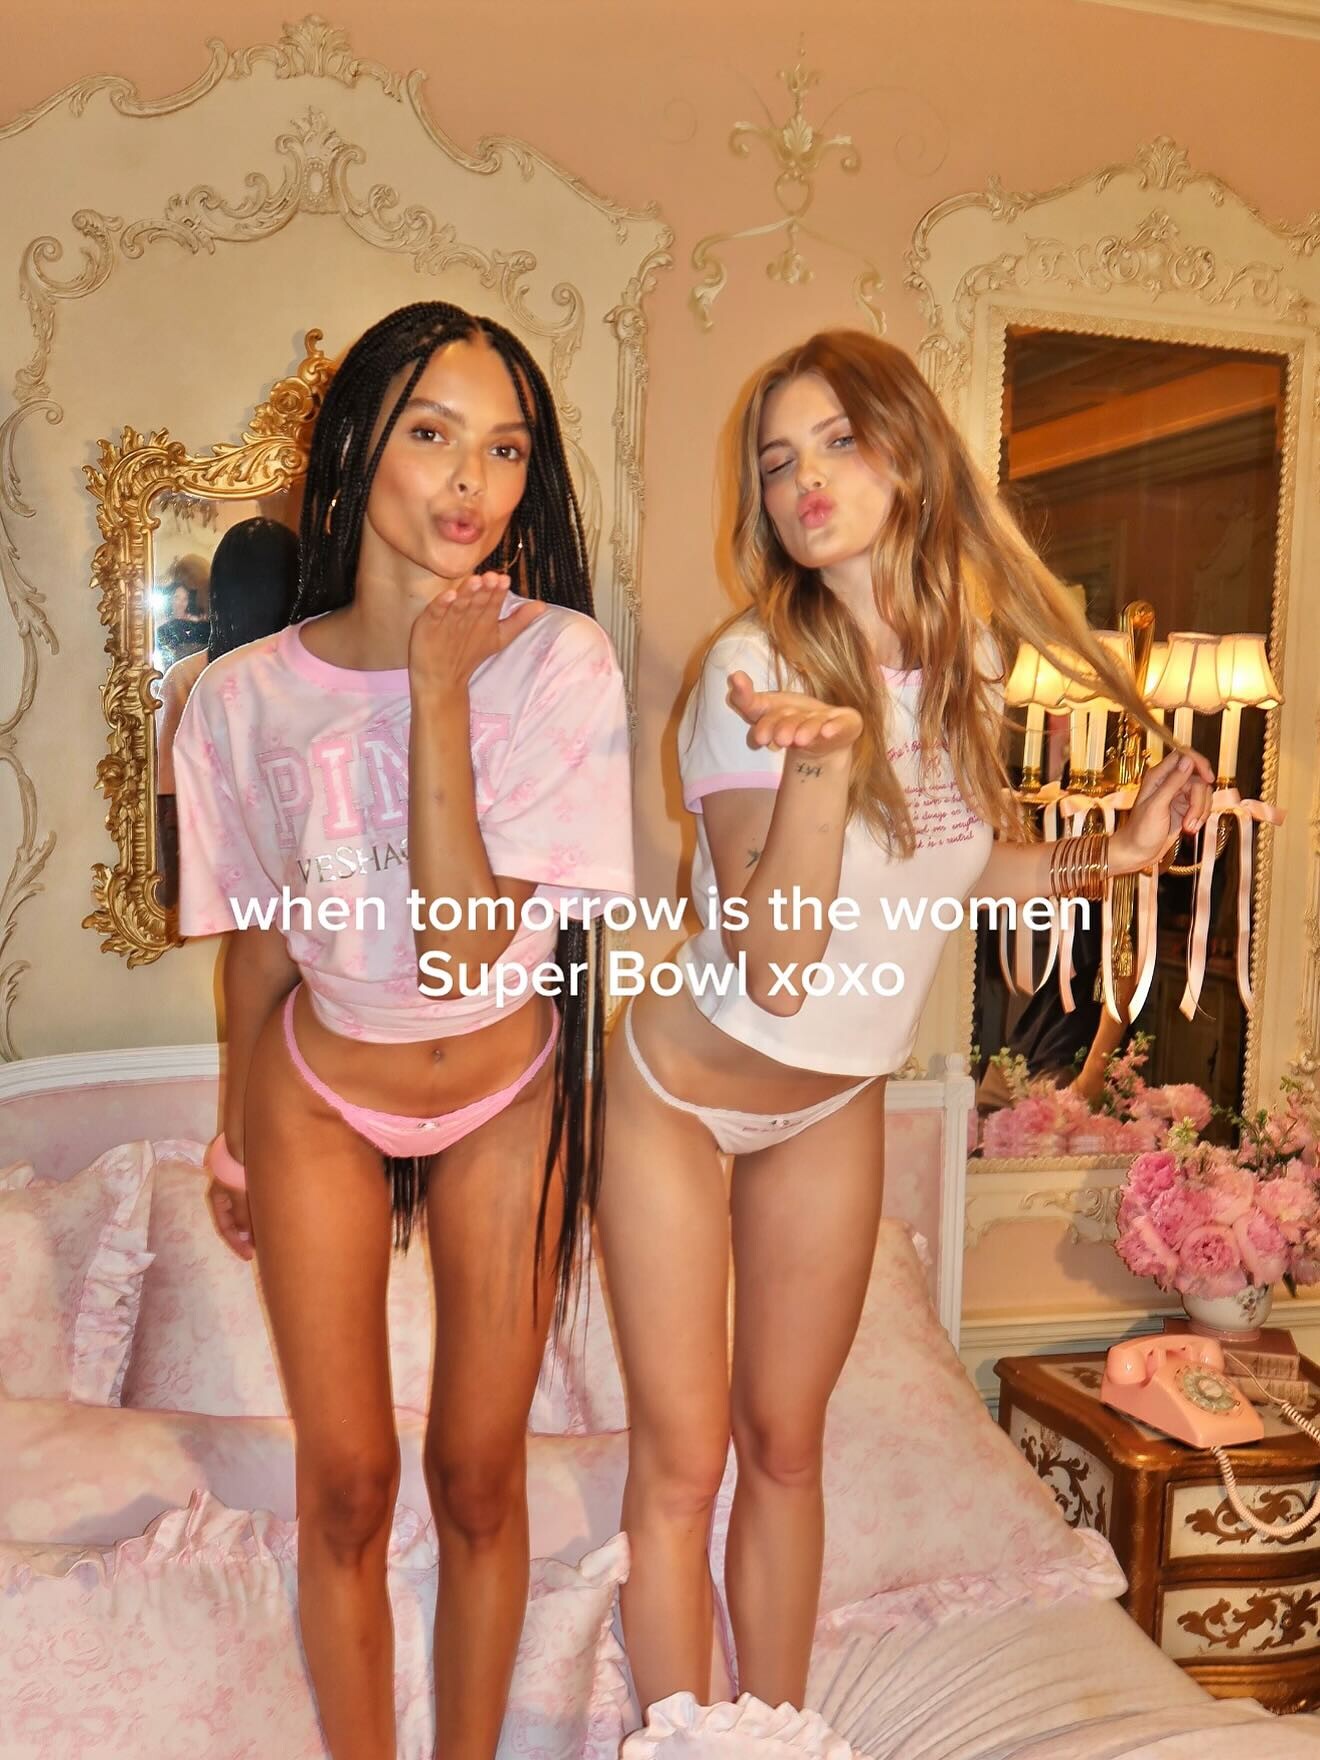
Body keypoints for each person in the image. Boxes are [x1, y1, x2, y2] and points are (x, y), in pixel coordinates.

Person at [596, 329, 1213, 1716]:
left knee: (787, 1445)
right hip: (683, 1093)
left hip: (832, 1096)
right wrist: (818, 768)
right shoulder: (753, 672)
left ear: (910, 457)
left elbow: (962, 864)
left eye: (837, 441)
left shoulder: (964, 659)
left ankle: (780, 1734)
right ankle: (687, 1745)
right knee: (687, 1462)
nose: (803, 481)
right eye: (777, 461)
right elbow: (776, 968)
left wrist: (1112, 855)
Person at [171, 301, 633, 1760]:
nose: (470, 481)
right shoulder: (241, 700)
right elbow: (259, 939)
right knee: (350, 1480)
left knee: (481, 1475)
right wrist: (235, 1136)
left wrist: (439, 690)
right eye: (432, 433)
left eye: (506, 448)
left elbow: (465, 943)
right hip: (318, 1088)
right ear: (357, 442)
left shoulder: (561, 664)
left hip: (506, 1082)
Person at [155, 517, 299, 910]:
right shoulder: (190, 680)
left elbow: (170, 804)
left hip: (266, 882)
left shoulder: (189, 678)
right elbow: (170, 802)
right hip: (255, 884)